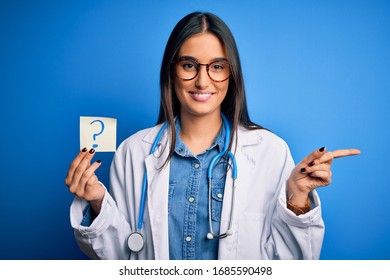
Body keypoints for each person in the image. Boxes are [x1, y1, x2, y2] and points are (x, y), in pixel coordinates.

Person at [65, 12, 360, 260]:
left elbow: (292, 262)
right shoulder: (133, 152)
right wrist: (97, 201)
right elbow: (120, 259)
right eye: (189, 65)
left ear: (232, 76)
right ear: (172, 72)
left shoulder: (269, 151)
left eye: (217, 67)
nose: (203, 80)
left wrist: (297, 196)